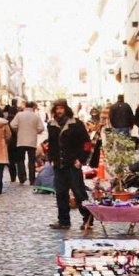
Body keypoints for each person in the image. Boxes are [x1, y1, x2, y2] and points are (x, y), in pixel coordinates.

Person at [46, 99, 92, 231]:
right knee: (60, 193)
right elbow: (52, 143)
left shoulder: (76, 124)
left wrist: (81, 159)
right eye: (57, 109)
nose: (59, 111)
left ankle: (88, 218)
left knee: (79, 193)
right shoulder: (52, 125)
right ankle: (64, 221)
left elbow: (87, 143)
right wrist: (51, 158)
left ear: (66, 109)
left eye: (61, 108)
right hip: (59, 165)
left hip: (73, 164)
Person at [10, 101, 44, 185]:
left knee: (20, 159)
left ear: (25, 106)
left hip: (21, 140)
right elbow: (41, 128)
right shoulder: (36, 116)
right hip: (32, 141)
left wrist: (18, 130)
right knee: (31, 160)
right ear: (33, 107)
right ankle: (32, 179)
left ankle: (22, 177)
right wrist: (35, 131)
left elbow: (12, 125)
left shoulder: (19, 115)